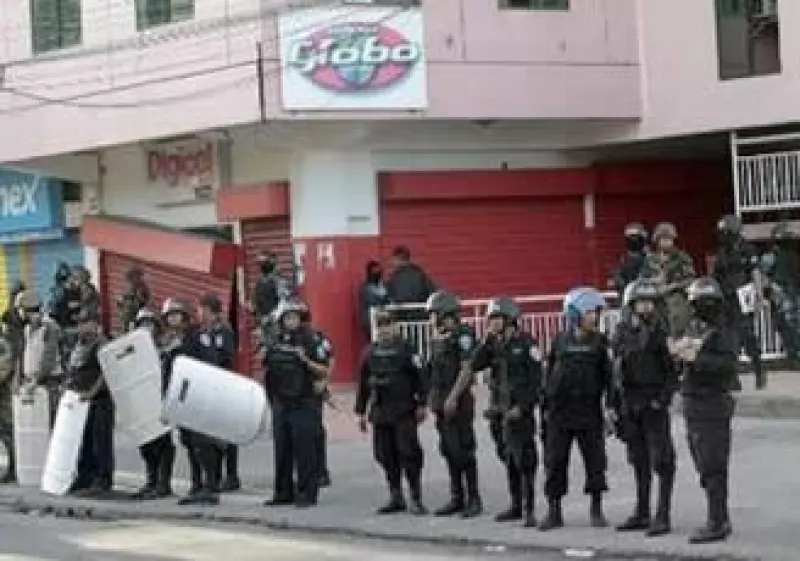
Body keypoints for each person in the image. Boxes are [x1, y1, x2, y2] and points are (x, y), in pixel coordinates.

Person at [539, 287, 613, 532]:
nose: (595, 317)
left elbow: (609, 379)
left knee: (595, 461)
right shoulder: (559, 341)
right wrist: (545, 409)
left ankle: (596, 509)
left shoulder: (600, 343)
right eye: (590, 312)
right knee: (555, 461)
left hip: (589, 410)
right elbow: (548, 375)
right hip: (560, 412)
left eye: (596, 312)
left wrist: (611, 408)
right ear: (575, 314)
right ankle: (554, 511)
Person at [670, 277, 737, 544]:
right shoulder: (696, 328)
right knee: (702, 463)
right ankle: (718, 516)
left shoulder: (724, 330)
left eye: (705, 303)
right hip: (692, 400)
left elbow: (727, 366)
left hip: (713, 401)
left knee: (713, 464)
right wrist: (678, 356)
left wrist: (697, 358)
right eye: (697, 303)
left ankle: (717, 521)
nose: (700, 308)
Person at [465, 297, 542, 527]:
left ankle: (529, 509)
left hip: (519, 411)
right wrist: (485, 342)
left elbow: (537, 381)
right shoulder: (492, 344)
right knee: (507, 457)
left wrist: (524, 406)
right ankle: (515, 504)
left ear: (510, 320)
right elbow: (475, 364)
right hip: (499, 410)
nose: (494, 323)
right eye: (492, 319)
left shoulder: (527, 344)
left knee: (525, 460)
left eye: (498, 318)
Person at [612, 279, 677, 537]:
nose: (646, 307)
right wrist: (613, 405)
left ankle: (663, 515)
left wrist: (661, 400)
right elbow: (615, 372)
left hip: (653, 402)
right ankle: (642, 512)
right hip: (630, 403)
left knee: (662, 461)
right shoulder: (621, 333)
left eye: (650, 303)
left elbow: (672, 375)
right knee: (638, 461)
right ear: (631, 305)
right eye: (641, 302)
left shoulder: (662, 333)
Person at [355, 309, 428, 515]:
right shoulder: (369, 353)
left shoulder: (407, 350)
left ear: (396, 327)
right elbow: (363, 385)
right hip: (380, 411)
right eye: (381, 326)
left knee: (409, 453)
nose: (384, 330)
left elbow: (421, 377)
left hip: (404, 410)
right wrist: (360, 413)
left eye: (388, 325)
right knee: (384, 454)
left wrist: (422, 403)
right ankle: (396, 495)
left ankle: (415, 496)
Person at [263, 298, 332, 508]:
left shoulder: (312, 339)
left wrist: (306, 361)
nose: (290, 321)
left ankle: (307, 493)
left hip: (304, 401)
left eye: (294, 317)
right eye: (286, 318)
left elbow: (324, 369)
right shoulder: (276, 340)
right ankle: (283, 491)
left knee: (305, 449)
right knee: (282, 448)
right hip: (281, 402)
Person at [427, 290, 482, 518]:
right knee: (448, 450)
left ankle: (474, 498)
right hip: (441, 402)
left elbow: (467, 368)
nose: (431, 319)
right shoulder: (439, 338)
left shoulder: (463, 334)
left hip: (458, 402)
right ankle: (457, 496)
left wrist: (453, 397)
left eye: (434, 314)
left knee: (464, 450)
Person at [160, 298, 220, 506]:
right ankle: (196, 485)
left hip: (197, 394)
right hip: (179, 398)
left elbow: (209, 361)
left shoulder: (197, 335)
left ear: (184, 316)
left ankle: (210, 486)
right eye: (170, 316)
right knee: (188, 442)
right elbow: (166, 370)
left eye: (177, 314)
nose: (173, 318)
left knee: (202, 442)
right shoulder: (168, 339)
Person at [712, 215, 765, 390]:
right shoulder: (721, 252)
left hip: (744, 297)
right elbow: (716, 277)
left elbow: (755, 273)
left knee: (748, 336)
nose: (721, 235)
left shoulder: (747, 249)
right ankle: (732, 378)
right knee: (727, 339)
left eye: (724, 232)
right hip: (726, 299)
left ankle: (759, 371)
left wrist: (759, 296)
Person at [67, 307, 114, 497]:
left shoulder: (102, 343)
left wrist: (92, 392)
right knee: (83, 441)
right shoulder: (79, 344)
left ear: (95, 324)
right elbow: (74, 369)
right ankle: (84, 477)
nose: (82, 327)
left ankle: (103, 479)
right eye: (80, 323)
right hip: (81, 400)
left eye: (86, 323)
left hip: (100, 400)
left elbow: (106, 372)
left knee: (100, 441)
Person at [196, 293, 241, 493]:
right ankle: (215, 475)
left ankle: (231, 475)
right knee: (212, 433)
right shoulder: (202, 331)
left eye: (203, 310)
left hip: (224, 384)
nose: (200, 314)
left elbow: (226, 356)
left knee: (228, 433)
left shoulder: (223, 330)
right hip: (209, 386)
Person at [131, 308, 175, 500]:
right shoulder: (133, 348)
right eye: (143, 324)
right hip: (141, 401)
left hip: (161, 398)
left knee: (163, 443)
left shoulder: (165, 348)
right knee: (146, 443)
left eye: (150, 324)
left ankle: (163, 483)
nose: (146, 328)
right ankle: (151, 481)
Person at [640, 222, 696, 338]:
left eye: (668, 239)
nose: (666, 242)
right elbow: (641, 280)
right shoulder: (650, 259)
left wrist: (674, 286)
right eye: (663, 239)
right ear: (657, 240)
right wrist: (653, 281)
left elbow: (691, 279)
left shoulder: (682, 258)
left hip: (676, 300)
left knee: (677, 332)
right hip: (655, 300)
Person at [18, 291, 62, 427]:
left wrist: (36, 381)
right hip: (31, 382)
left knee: (50, 421)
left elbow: (48, 357)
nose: (21, 313)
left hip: (48, 382)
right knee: (36, 425)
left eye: (22, 310)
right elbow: (24, 353)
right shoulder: (27, 328)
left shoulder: (50, 327)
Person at [761, 223, 800, 364]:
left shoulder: (785, 255)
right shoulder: (772, 257)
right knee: (788, 325)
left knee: (789, 325)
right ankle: (793, 355)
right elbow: (765, 278)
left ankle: (794, 354)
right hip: (783, 292)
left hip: (788, 292)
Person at [386, 246, 436, 321]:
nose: (392, 262)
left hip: (403, 320)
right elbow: (432, 292)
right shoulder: (420, 273)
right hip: (422, 319)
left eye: (393, 259)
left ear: (398, 259)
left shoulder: (395, 277)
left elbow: (392, 297)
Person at [610, 223, 650, 302]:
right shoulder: (623, 259)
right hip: (627, 298)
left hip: (645, 297)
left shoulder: (650, 257)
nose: (633, 240)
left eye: (636, 237)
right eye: (631, 237)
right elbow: (618, 277)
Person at [358, 260, 390, 340]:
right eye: (374, 271)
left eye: (378, 271)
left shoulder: (385, 286)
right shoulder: (365, 288)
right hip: (370, 322)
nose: (377, 274)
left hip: (384, 321)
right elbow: (375, 302)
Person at [117, 268, 151, 334]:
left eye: (135, 277)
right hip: (126, 318)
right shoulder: (129, 289)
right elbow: (121, 303)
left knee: (132, 334)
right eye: (130, 278)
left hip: (135, 318)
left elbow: (144, 303)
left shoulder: (142, 289)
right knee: (126, 334)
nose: (132, 280)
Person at [0, 335, 14, 483]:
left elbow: (4, 370)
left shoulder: (3, 345)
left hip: (3, 397)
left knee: (7, 432)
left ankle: (11, 469)